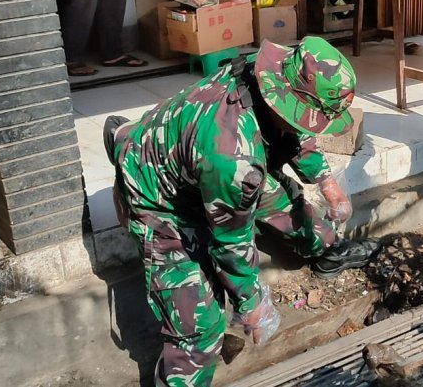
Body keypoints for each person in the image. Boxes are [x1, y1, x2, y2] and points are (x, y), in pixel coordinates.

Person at [104, 37, 377, 386]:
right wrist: (251, 302)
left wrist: (326, 180)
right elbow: (231, 240)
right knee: (200, 330)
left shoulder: (266, 77)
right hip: (157, 198)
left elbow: (298, 126)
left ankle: (325, 251)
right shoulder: (235, 161)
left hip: (198, 162)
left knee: (291, 205)